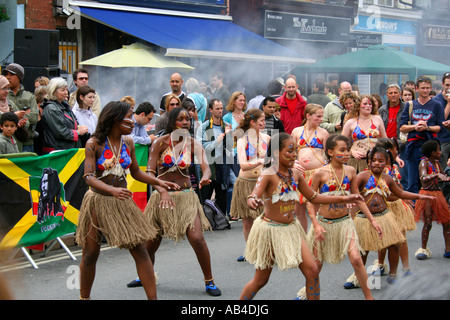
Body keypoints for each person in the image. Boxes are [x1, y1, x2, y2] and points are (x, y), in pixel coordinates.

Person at [240, 133, 365, 300]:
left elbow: (314, 197)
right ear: (276, 153)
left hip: (292, 228)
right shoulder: (268, 174)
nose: (293, 155)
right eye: (289, 151)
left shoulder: (296, 174)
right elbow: (254, 195)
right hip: (270, 230)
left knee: (313, 271)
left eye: (295, 151)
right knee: (261, 280)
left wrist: (345, 197)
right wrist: (252, 200)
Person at [76, 101, 179, 300]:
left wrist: (160, 182)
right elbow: (88, 177)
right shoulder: (94, 143)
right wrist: (111, 190)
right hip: (98, 201)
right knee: (90, 254)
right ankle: (84, 298)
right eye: (128, 117)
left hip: (122, 202)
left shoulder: (129, 142)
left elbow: (136, 172)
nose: (132, 122)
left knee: (140, 249)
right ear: (114, 118)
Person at [135, 107, 222, 296]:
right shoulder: (160, 142)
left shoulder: (193, 144)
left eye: (188, 119)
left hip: (186, 198)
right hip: (162, 197)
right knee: (150, 243)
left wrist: (206, 177)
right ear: (172, 122)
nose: (185, 122)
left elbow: (206, 167)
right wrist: (161, 190)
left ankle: (209, 281)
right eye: (180, 119)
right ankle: (144, 275)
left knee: (197, 239)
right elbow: (150, 172)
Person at [297, 134, 381, 300]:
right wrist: (315, 224)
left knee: (357, 259)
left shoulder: (350, 171)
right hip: (324, 224)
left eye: (348, 150)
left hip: (345, 223)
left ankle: (369, 297)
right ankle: (307, 293)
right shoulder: (319, 173)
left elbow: (358, 198)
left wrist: (372, 220)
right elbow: (311, 202)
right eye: (342, 150)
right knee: (316, 265)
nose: (347, 153)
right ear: (330, 152)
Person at [344, 146, 434, 288]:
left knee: (394, 245)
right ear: (368, 162)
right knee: (362, 250)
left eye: (381, 160)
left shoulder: (387, 178)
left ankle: (393, 275)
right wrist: (350, 214)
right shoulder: (362, 176)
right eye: (374, 160)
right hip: (364, 218)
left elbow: (401, 194)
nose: (377, 163)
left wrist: (420, 196)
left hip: (384, 216)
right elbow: (352, 194)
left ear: (386, 163)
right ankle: (357, 276)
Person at [371, 138, 416, 278]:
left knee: (400, 237)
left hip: (397, 205)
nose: (396, 151)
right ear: (387, 151)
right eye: (394, 149)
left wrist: (405, 198)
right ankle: (380, 264)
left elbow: (399, 186)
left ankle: (406, 267)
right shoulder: (377, 170)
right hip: (385, 205)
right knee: (383, 238)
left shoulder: (394, 168)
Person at [230, 109, 269, 262]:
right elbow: (243, 165)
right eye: (262, 120)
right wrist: (259, 161)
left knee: (265, 218)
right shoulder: (242, 140)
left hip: (263, 183)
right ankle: (250, 251)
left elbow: (274, 161)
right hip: (246, 183)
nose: (264, 123)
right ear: (252, 122)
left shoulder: (267, 138)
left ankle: (265, 249)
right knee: (247, 220)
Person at [399, 76, 445, 194]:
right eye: (422, 88)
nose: (425, 90)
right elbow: (402, 127)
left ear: (431, 88)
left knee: (429, 183)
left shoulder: (437, 105)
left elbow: (440, 127)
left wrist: (427, 127)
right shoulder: (410, 105)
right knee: (412, 182)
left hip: (430, 148)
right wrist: (415, 127)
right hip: (413, 147)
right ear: (417, 89)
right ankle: (414, 210)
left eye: (427, 88)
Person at [291, 104, 329, 231]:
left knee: (315, 205)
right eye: (318, 116)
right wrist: (294, 163)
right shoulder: (296, 131)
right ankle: (303, 237)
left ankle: (316, 234)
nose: (321, 119)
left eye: (322, 116)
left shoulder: (323, 133)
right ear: (308, 116)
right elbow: (290, 151)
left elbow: (329, 155)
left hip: (316, 173)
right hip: (300, 173)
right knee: (298, 208)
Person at [414, 140, 450, 260]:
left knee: (447, 222)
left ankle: (448, 249)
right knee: (428, 223)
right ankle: (423, 249)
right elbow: (423, 178)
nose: (440, 152)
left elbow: (443, 176)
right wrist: (436, 175)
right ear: (433, 152)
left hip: (438, 194)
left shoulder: (436, 163)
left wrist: (446, 177)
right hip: (427, 195)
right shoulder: (424, 163)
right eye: (439, 150)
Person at [201, 99, 233, 214]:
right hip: (209, 165)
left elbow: (230, 148)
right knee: (205, 195)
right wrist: (216, 141)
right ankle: (204, 221)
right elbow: (203, 148)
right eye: (217, 109)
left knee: (222, 196)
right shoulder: (205, 126)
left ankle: (221, 221)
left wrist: (229, 136)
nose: (220, 111)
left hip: (222, 166)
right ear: (210, 110)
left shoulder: (226, 125)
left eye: (221, 108)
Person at [41, 77, 89, 154]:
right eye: (62, 90)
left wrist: (80, 127)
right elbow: (60, 131)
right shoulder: (51, 108)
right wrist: (77, 132)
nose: (66, 92)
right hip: (58, 151)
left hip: (68, 149)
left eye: (66, 89)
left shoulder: (64, 105)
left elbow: (74, 122)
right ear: (53, 92)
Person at [342, 94, 387, 173]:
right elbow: (341, 142)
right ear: (358, 106)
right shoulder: (350, 122)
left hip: (374, 160)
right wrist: (351, 152)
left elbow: (385, 141)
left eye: (370, 104)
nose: (368, 106)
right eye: (365, 104)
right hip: (356, 161)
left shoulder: (377, 119)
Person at [2, 63, 39, 153]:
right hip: (7, 141)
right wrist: (19, 115)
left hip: (26, 141)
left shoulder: (29, 96)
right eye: (6, 74)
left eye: (12, 74)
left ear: (19, 77)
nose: (8, 77)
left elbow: (34, 117)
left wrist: (21, 119)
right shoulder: (3, 97)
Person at [434, 72, 450, 168]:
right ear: (442, 84)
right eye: (447, 85)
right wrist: (449, 103)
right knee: (442, 169)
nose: (449, 87)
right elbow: (440, 120)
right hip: (442, 140)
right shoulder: (436, 100)